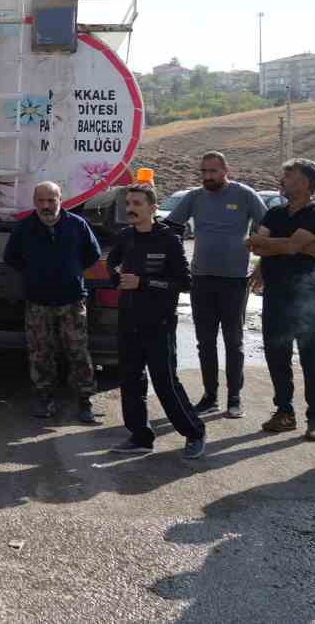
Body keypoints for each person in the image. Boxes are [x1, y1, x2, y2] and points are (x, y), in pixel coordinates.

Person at [161, 151, 267, 418]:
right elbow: (171, 226)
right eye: (204, 172)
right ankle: (210, 397)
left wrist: (262, 260)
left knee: (234, 341)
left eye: (213, 171)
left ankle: (234, 398)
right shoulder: (195, 197)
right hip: (202, 279)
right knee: (205, 341)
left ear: (225, 170)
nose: (208, 177)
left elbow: (269, 225)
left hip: (234, 280)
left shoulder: (244, 195)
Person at [107, 183, 206, 458]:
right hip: (128, 320)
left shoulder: (168, 239)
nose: (131, 209)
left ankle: (194, 432)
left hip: (158, 322)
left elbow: (184, 283)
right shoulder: (125, 236)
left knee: (165, 381)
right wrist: (116, 277)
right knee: (130, 379)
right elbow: (111, 264)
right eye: (128, 204)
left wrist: (144, 282)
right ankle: (140, 436)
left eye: (137, 204)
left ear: (152, 208)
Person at [246, 158, 315, 441]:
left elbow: (280, 245)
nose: (282, 181)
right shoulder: (274, 214)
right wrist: (292, 247)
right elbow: (256, 245)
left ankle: (314, 418)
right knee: (277, 356)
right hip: (275, 295)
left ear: (306, 183)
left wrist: (282, 246)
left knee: (310, 358)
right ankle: (284, 412)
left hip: (307, 297)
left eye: (289, 177)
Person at [3, 181, 103, 424]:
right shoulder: (24, 228)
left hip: (71, 300)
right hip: (38, 301)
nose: (46, 206)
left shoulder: (77, 226)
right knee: (40, 352)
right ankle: (44, 397)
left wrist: (71, 272)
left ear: (61, 200)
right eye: (41, 201)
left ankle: (84, 400)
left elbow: (93, 254)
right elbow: (11, 258)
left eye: (51, 200)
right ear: (34, 202)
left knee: (78, 351)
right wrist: (37, 274)